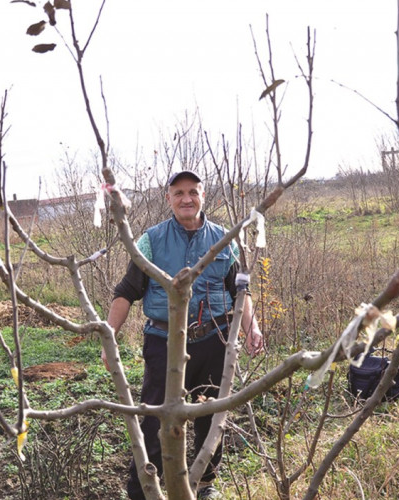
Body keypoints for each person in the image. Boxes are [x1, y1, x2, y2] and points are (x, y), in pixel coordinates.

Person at [103, 170, 264, 500]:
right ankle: (145, 488)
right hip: (163, 343)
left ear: (203, 196)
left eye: (193, 192)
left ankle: (205, 485)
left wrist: (252, 327)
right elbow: (127, 290)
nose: (186, 199)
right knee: (154, 419)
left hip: (213, 340)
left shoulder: (224, 238)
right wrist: (109, 337)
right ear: (169, 199)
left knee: (210, 413)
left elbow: (240, 289)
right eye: (179, 193)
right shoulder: (151, 240)